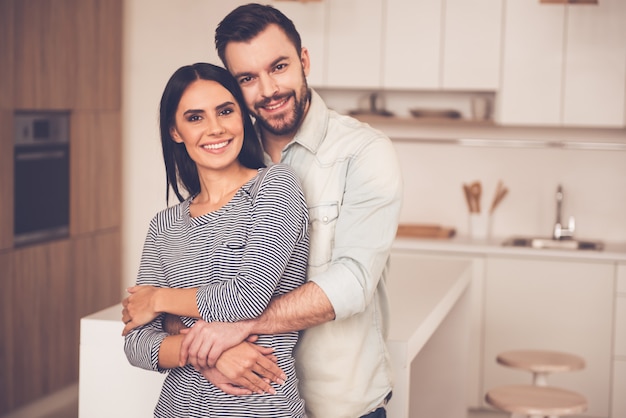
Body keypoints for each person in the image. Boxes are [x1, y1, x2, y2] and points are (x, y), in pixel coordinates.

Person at [174, 4, 404, 418]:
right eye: (247, 78)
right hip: (251, 405)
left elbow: (352, 281)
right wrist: (211, 352)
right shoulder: (223, 160)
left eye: (278, 66)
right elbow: (193, 284)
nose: (268, 89)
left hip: (341, 407)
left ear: (304, 61)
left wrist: (241, 325)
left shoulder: (364, 151)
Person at [122, 62, 310, 418]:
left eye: (225, 111)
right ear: (175, 131)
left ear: (243, 116)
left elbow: (245, 298)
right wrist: (214, 354)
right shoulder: (164, 226)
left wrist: (159, 300)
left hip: (263, 408)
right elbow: (135, 342)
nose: (215, 128)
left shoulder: (275, 187)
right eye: (195, 118)